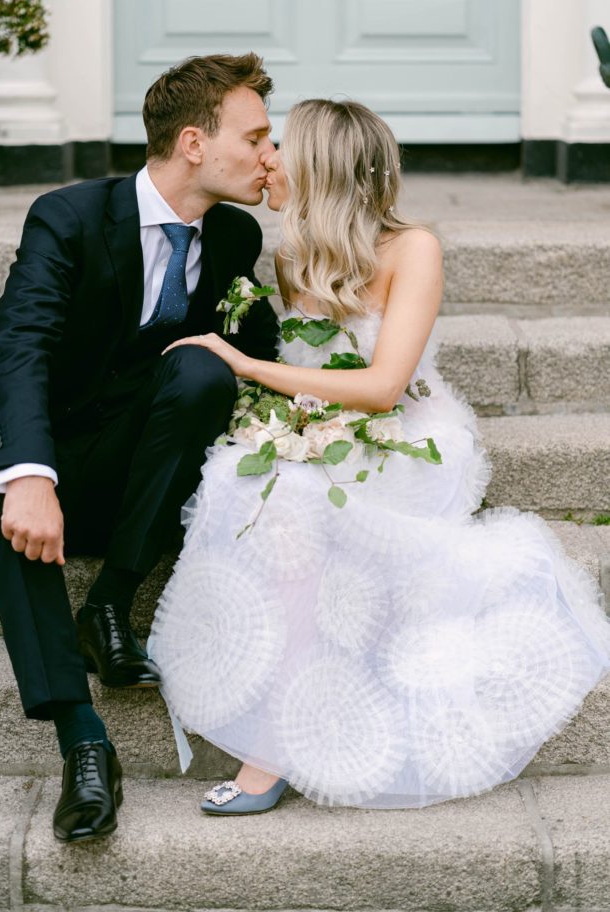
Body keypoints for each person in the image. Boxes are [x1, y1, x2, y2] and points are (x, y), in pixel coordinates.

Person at [149, 98, 610, 814]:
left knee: (295, 500)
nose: (264, 157)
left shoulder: (412, 248)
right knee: (249, 487)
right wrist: (280, 420)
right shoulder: (291, 253)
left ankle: (268, 746)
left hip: (406, 440)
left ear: (318, 168)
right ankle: (252, 688)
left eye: (278, 147)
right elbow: (315, 369)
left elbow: (382, 386)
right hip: (321, 425)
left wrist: (243, 366)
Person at [0, 52, 279, 840]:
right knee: (0, 483)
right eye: (256, 137)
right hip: (43, 446)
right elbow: (18, 346)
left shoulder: (232, 237)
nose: (270, 156)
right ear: (193, 143)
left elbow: (263, 355)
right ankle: (83, 738)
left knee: (201, 372)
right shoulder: (70, 215)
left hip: (133, 472)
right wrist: (29, 474)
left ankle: (113, 600)